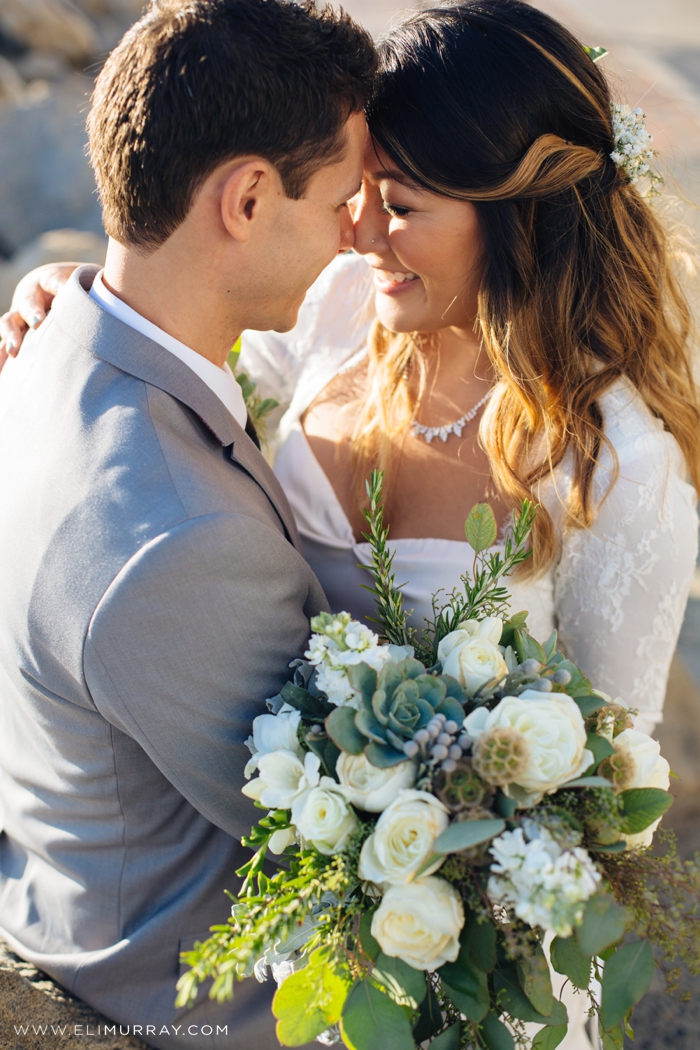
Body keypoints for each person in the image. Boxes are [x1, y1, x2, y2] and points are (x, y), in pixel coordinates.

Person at [4, 1, 698, 1046]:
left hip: (463, 945)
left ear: (509, 219)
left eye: (400, 204)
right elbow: (188, 362)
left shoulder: (613, 467)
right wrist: (69, 293)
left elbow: (604, 786)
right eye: (358, 194)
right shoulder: (337, 313)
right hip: (295, 902)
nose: (360, 231)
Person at [0, 0, 374, 1047]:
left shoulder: (60, 332)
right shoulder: (172, 539)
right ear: (249, 198)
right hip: (196, 1002)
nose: (357, 231)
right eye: (343, 200)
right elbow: (331, 823)